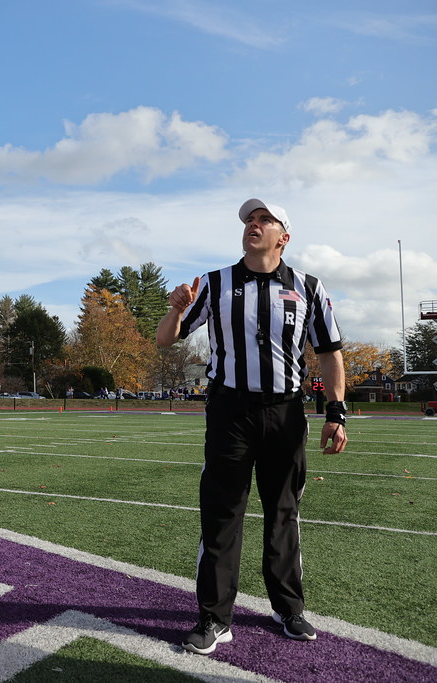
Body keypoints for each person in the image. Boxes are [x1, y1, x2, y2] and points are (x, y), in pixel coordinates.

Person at [155, 198, 348, 656]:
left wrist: (336, 412)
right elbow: (165, 340)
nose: (253, 225)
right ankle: (215, 617)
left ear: (284, 236)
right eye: (249, 220)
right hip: (231, 412)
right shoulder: (214, 283)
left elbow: (330, 353)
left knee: (284, 511)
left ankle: (288, 607)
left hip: (286, 413)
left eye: (264, 220)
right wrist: (176, 309)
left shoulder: (309, 287)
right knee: (222, 512)